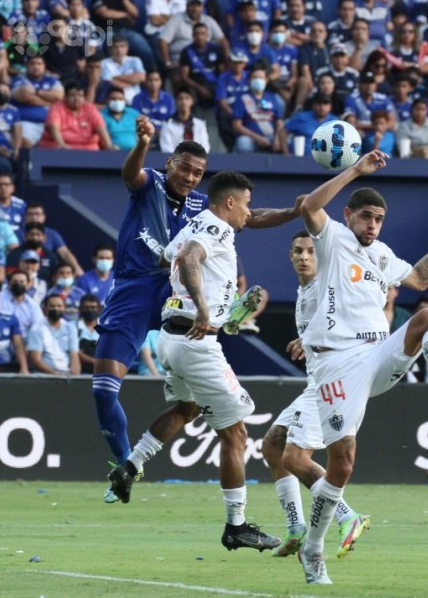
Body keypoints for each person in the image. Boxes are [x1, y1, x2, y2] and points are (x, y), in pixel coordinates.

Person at [296, 151, 428, 584]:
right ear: (348, 215)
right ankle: (313, 549)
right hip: (336, 363)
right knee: (342, 463)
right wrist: (355, 171)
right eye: (366, 216)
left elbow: (419, 279)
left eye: (379, 218)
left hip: (376, 354)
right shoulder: (332, 238)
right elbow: (310, 206)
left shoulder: (381, 254)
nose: (372, 225)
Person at [94, 117, 301, 503]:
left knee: (188, 403)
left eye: (198, 173)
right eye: (185, 167)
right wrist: (142, 143)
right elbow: (130, 174)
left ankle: (226, 315)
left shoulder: (201, 207)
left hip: (175, 288)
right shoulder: (150, 182)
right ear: (169, 162)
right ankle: (123, 464)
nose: (190, 177)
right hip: (135, 288)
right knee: (104, 391)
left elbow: (249, 217)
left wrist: (295, 212)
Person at [109, 170, 281, 552]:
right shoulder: (217, 228)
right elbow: (188, 259)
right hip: (196, 340)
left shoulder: (191, 224)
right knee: (235, 434)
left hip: (171, 337)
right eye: (246, 205)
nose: (248, 214)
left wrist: (221, 310)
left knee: (185, 408)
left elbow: (176, 254)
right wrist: (205, 310)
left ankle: (131, 465)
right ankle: (236, 526)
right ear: (230, 203)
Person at [261, 230, 370, 559]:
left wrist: (309, 338)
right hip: (317, 384)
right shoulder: (304, 290)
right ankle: (296, 527)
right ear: (290, 256)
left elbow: (347, 316)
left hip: (334, 383)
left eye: (310, 250)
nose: (304, 256)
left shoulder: (329, 285)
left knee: (295, 458)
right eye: (298, 251)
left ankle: (347, 516)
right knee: (273, 444)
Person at [27, 292, 80, 375]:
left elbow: (74, 356)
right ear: (45, 309)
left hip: (66, 373)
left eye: (59, 306)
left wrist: (75, 376)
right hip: (44, 375)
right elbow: (36, 359)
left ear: (64, 308)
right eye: (52, 306)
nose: (56, 309)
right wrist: (56, 375)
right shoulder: (37, 329)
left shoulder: (70, 328)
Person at [159, 87, 210, 154]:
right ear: (176, 101)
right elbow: (166, 148)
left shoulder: (200, 124)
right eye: (180, 98)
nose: (183, 101)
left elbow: (206, 147)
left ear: (192, 101)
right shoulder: (168, 123)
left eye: (187, 98)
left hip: (196, 160)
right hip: (175, 161)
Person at [0, 269, 42, 336]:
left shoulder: (33, 305)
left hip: (25, 341)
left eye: (22, 282)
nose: (18, 284)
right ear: (9, 283)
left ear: (28, 284)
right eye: (15, 281)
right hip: (2, 338)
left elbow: (38, 327)